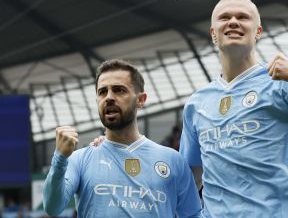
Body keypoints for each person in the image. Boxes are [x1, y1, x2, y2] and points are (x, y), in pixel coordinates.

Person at [179, 0, 288, 217]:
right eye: (225, 17)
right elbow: (191, 175)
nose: (233, 21)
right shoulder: (197, 103)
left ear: (258, 32)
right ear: (214, 34)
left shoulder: (282, 82)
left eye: (243, 17)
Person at [43, 59, 201, 217]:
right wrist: (60, 158)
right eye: (102, 92)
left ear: (140, 100)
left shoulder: (173, 160)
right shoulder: (79, 159)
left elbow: (192, 215)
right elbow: (52, 207)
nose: (109, 97)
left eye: (119, 90)